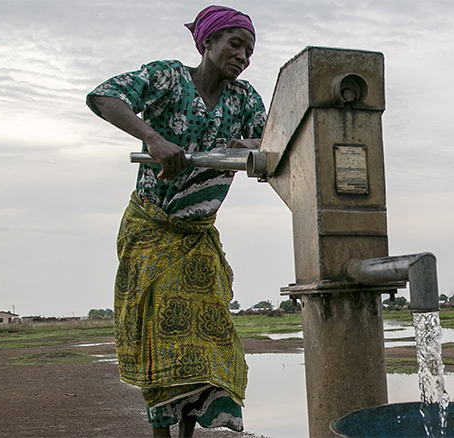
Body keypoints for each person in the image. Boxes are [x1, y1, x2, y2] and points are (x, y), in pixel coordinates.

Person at [85, 5, 265, 437]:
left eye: (249, 50)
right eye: (234, 44)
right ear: (208, 42)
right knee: (162, 339)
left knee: (208, 341)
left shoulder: (245, 100)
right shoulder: (168, 78)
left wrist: (251, 143)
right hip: (151, 229)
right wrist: (152, 137)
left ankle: (189, 430)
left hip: (197, 236)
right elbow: (104, 96)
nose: (242, 56)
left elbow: (278, 142)